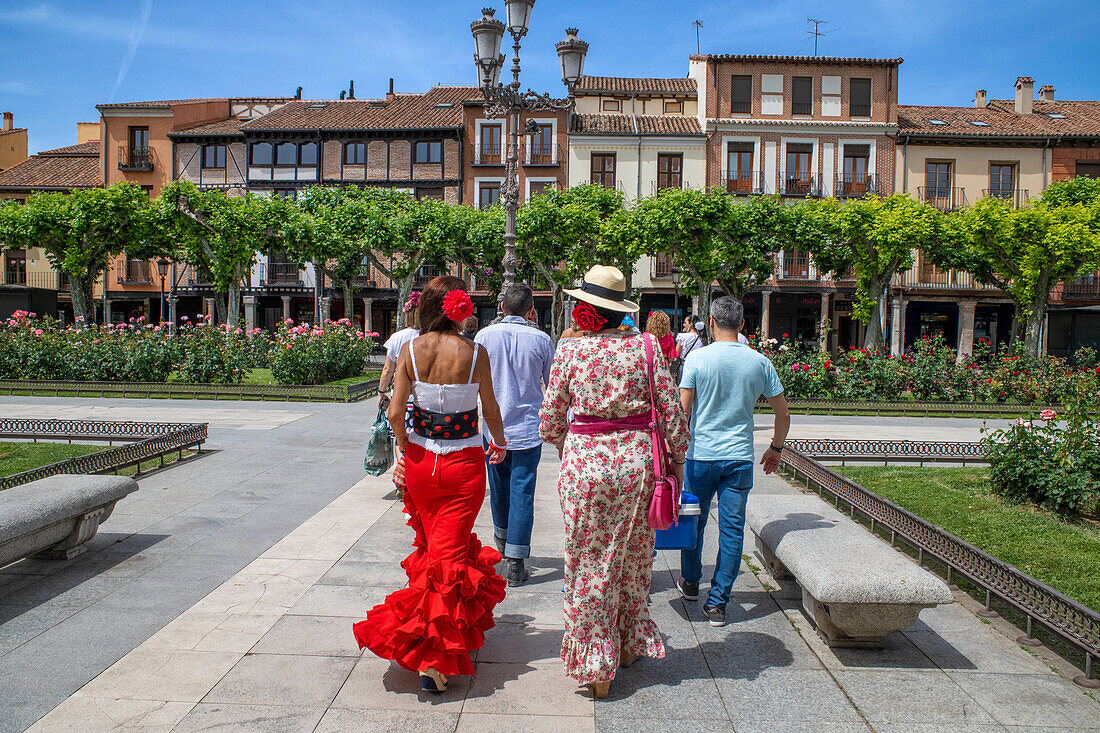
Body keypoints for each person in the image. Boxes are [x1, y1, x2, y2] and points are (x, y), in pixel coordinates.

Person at [539, 265, 689, 700]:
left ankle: (595, 665)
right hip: (639, 469)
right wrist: (677, 462)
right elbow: (672, 415)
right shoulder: (646, 348)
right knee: (632, 557)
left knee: (587, 563)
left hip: (585, 469)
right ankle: (626, 646)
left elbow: (549, 423)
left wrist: (578, 445)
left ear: (585, 309)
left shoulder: (570, 353)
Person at [354, 276, 508, 694]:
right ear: (457, 309)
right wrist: (500, 440)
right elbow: (489, 408)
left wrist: (406, 452)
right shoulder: (476, 353)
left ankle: (431, 636)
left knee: (432, 550)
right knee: (449, 557)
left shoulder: (409, 350)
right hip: (464, 467)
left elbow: (396, 413)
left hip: (423, 466)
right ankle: (435, 659)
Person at [677, 296, 790, 627]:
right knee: (731, 530)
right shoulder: (759, 362)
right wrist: (775, 449)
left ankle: (691, 581)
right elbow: (783, 413)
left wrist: (676, 454)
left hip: (700, 456)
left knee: (693, 522)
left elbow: (683, 410)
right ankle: (718, 604)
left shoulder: (697, 359)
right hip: (739, 457)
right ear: (742, 325)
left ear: (710, 322)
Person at [475, 284, 554, 586]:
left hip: (493, 430)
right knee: (523, 493)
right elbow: (552, 385)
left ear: (503, 308)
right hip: (527, 430)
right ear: (531, 310)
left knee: (498, 489)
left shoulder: (484, 336)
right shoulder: (542, 340)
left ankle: (502, 541)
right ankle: (516, 561)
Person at [377, 292, 420, 393]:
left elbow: (388, 369)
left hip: (401, 388)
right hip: (424, 389)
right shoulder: (430, 335)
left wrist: (381, 392)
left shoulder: (396, 337)